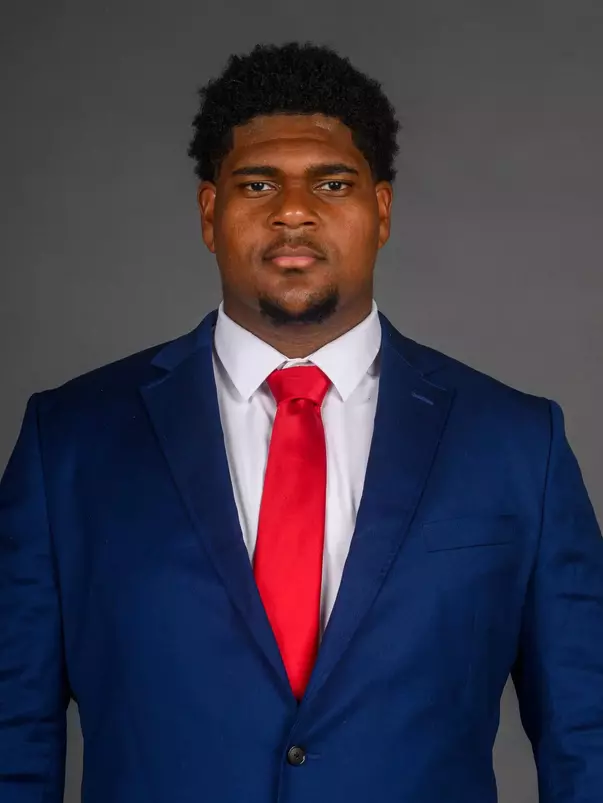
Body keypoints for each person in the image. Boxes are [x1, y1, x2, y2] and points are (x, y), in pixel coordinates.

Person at [1, 40, 602, 803]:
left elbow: (587, 734)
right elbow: (12, 735)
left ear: (379, 211)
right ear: (209, 211)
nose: (292, 210)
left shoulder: (519, 445)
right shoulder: (70, 443)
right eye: (257, 183)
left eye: (331, 181)